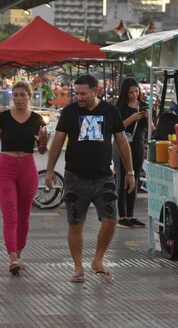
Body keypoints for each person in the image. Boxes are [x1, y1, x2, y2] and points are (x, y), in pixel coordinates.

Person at [45, 74, 136, 283]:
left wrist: (130, 172)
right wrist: (49, 171)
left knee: (111, 219)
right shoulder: (69, 112)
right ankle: (78, 267)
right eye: (76, 93)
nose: (79, 97)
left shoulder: (110, 111)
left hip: (104, 176)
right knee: (76, 223)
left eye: (83, 93)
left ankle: (98, 259)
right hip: (75, 177)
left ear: (96, 91)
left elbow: (122, 142)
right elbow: (57, 142)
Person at [0, 81, 49, 275]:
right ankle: (12, 258)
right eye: (15, 95)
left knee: (24, 215)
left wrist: (44, 141)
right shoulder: (3, 118)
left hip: (27, 167)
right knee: (10, 214)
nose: (19, 99)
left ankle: (18, 255)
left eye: (22, 95)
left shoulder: (37, 119)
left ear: (29, 96)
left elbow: (41, 150)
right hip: (5, 167)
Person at [114, 77, 148, 229]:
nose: (134, 95)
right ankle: (122, 216)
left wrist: (149, 118)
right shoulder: (120, 107)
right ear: (125, 93)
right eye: (130, 92)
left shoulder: (143, 105)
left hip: (138, 143)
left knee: (135, 177)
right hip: (123, 142)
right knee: (123, 177)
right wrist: (132, 118)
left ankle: (131, 214)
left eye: (136, 91)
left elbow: (151, 128)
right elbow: (117, 127)